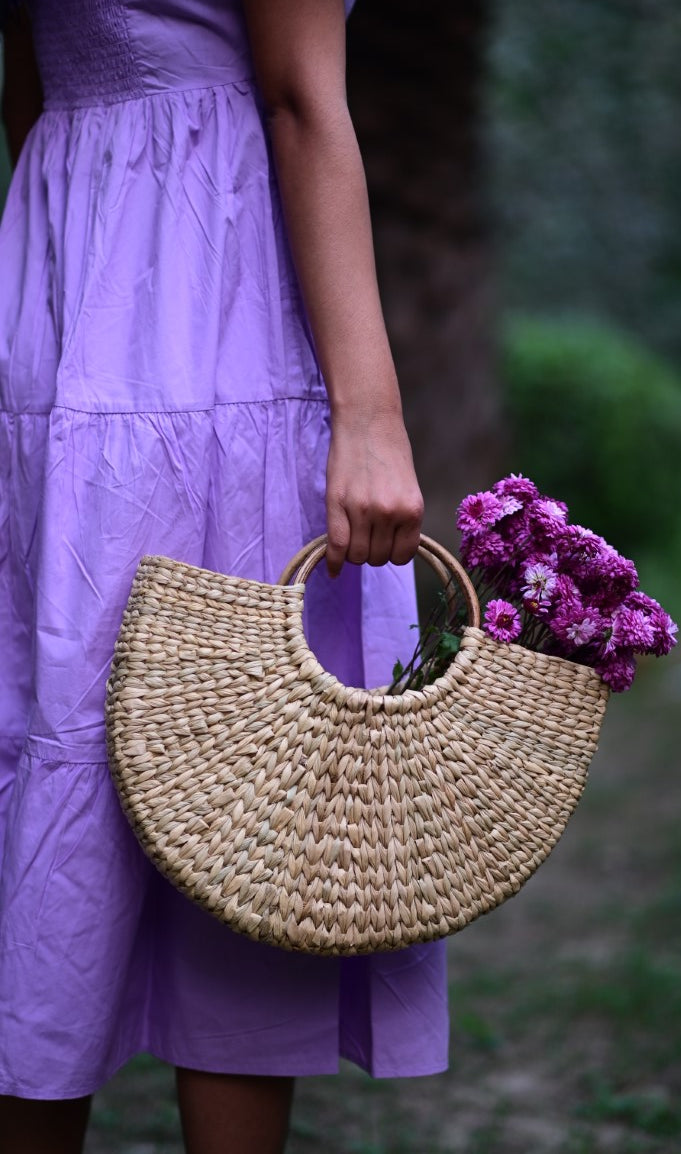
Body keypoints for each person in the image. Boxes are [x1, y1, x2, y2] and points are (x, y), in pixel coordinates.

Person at [0, 2, 449, 1152]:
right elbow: (302, 100)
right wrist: (373, 415)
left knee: (67, 734)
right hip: (219, 284)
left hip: (66, 281)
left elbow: (31, 88)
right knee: (245, 774)